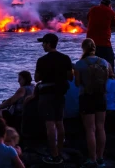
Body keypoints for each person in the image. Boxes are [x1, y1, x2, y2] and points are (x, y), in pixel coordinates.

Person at [34, 33, 73, 165]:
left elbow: (37, 79)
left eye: (44, 43)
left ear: (49, 44)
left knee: (50, 124)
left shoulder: (42, 60)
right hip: (60, 93)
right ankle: (60, 151)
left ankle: (54, 154)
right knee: (59, 122)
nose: (42, 45)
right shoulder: (65, 58)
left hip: (46, 94)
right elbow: (70, 77)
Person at [74, 38, 109, 168]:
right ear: (94, 47)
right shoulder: (104, 62)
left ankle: (92, 159)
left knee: (90, 129)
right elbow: (109, 77)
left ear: (83, 48)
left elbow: (77, 83)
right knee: (101, 127)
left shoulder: (80, 64)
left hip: (86, 97)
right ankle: (101, 158)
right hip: (101, 97)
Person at [86, 0, 115, 73]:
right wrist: (111, 10)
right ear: (109, 4)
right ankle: (110, 78)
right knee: (109, 61)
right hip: (104, 42)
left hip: (90, 42)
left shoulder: (93, 9)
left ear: (100, 3)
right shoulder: (110, 11)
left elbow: (88, 17)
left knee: (91, 63)